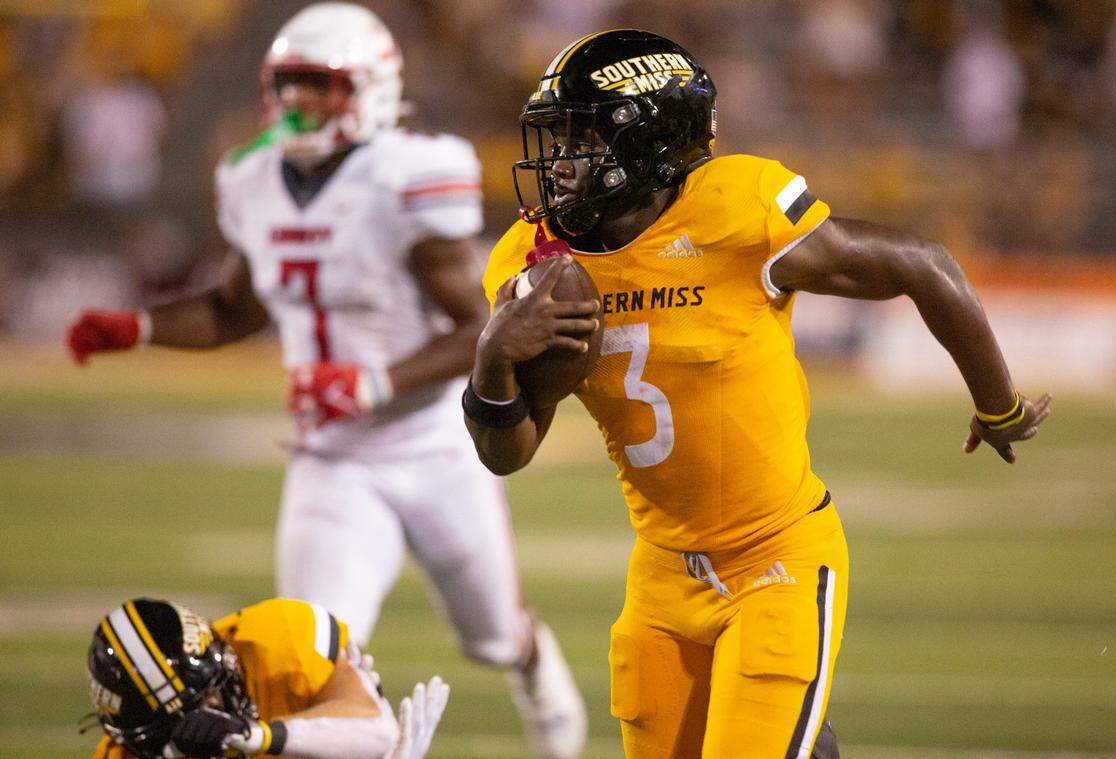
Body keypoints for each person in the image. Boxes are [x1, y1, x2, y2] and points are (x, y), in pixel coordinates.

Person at [465, 29, 1052, 758]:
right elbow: (507, 453)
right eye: (557, 142)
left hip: (775, 559)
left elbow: (923, 265)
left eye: (581, 141)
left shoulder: (737, 208)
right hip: (660, 578)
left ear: (648, 140)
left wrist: (999, 405)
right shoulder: (533, 262)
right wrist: (491, 364)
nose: (558, 164)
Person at [67, 5, 586, 757]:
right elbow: (231, 306)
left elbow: (481, 323)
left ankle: (541, 684)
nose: (300, 102)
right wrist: (139, 327)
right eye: (289, 83)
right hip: (333, 459)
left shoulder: (410, 173)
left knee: (495, 636)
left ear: (371, 88)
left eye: (321, 83)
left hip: (435, 442)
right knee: (305, 668)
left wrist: (374, 383)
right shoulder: (251, 178)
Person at [86, 596, 447, 758]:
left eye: (207, 698)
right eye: (175, 724)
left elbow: (376, 731)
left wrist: (256, 735)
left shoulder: (275, 641)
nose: (205, 719)